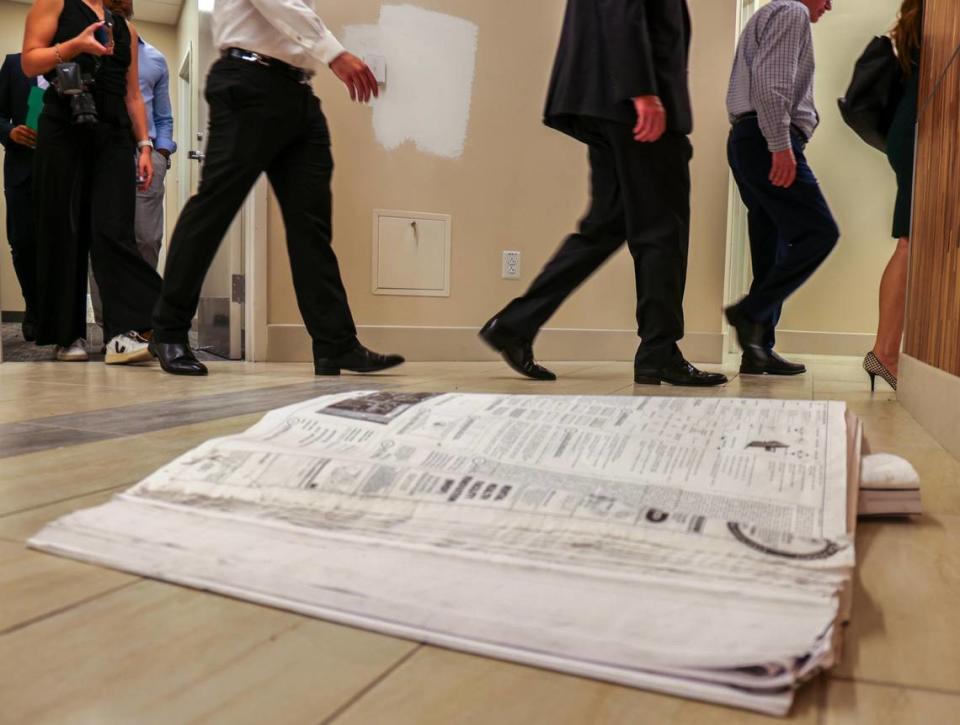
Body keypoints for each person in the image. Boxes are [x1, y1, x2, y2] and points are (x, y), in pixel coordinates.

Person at [149, 0, 404, 377]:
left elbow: (297, 17)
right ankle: (168, 331)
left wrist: (327, 53)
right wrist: (335, 54)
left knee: (311, 228)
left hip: (298, 93)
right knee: (213, 210)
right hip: (248, 83)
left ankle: (336, 344)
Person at [479, 0, 727, 388]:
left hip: (607, 103)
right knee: (664, 232)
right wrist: (642, 90)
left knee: (607, 226)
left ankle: (515, 324)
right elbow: (622, 9)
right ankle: (659, 352)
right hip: (634, 105)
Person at [22, 0, 162, 363]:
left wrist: (144, 145)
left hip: (114, 133)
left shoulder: (125, 27)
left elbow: (133, 94)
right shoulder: (53, 4)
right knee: (64, 228)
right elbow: (29, 62)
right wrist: (74, 46)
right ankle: (66, 336)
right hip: (64, 124)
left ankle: (124, 332)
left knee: (115, 229)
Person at [724, 0, 839, 376]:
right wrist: (780, 146)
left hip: (747, 138)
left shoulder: (767, 14)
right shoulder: (792, 12)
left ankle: (757, 350)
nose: (830, 5)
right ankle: (750, 313)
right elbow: (772, 87)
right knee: (820, 233)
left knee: (770, 245)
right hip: (765, 138)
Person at [90, 0, 177, 329]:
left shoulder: (155, 59)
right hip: (101, 150)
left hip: (145, 157)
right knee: (103, 239)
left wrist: (162, 154)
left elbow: (163, 116)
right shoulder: (87, 45)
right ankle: (109, 324)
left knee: (146, 238)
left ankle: (145, 321)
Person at [863, 0, 923, 392]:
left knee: (909, 242)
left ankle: (884, 353)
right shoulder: (939, 21)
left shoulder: (919, 22)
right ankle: (884, 354)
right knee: (908, 242)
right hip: (920, 136)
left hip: (913, 133)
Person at [0, 52, 40, 343]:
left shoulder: (75, 63)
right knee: (23, 243)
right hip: (21, 169)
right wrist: (10, 131)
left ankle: (58, 311)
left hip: (64, 169)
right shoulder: (14, 63)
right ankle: (34, 307)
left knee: (64, 243)